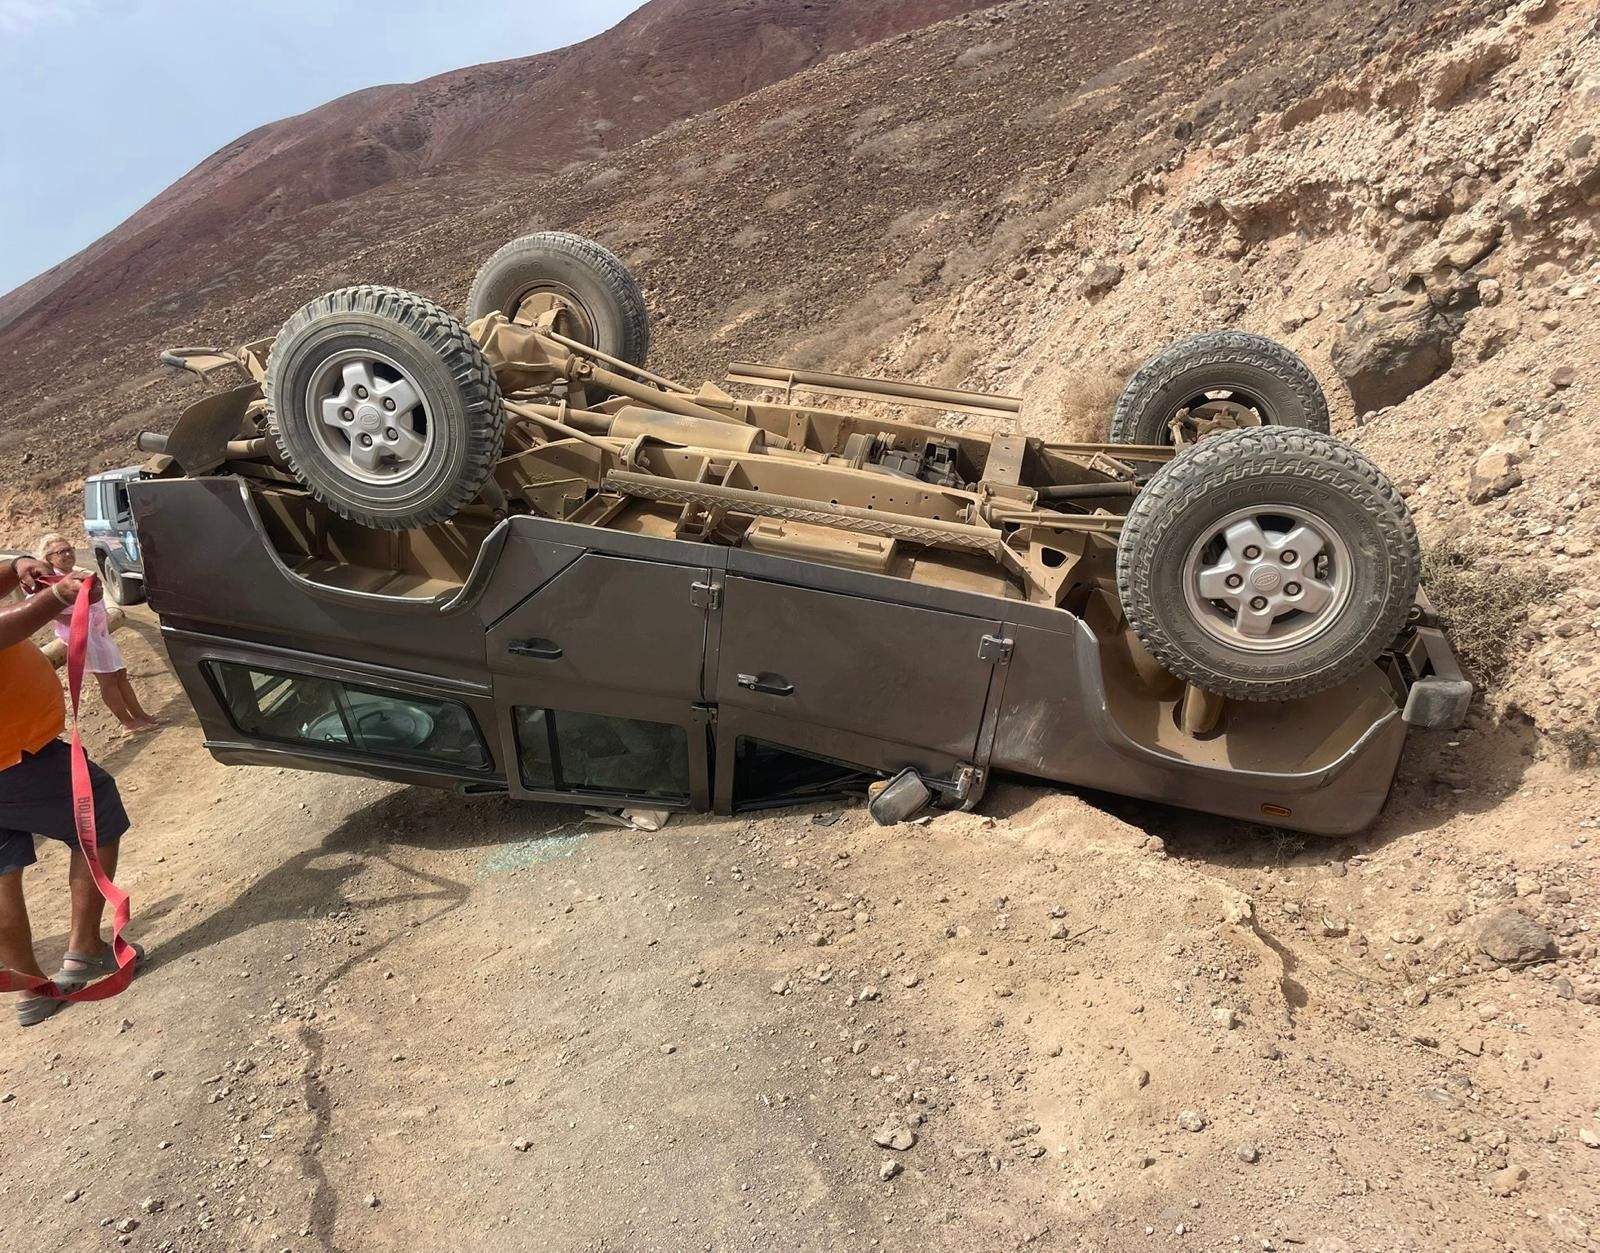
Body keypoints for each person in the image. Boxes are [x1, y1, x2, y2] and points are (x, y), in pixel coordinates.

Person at [0, 553, 142, 1027]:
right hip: (16, 759)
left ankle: (31, 989)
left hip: (12, 758)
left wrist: (22, 565)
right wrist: (58, 594)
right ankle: (85, 951)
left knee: (1, 873)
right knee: (97, 810)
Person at [31, 534, 156, 734]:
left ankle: (141, 715)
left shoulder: (76, 574)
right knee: (107, 680)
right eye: (60, 552)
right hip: (82, 637)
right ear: (48, 559)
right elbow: (42, 609)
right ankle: (128, 723)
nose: (67, 554)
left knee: (120, 674)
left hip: (99, 633)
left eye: (69, 549)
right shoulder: (48, 583)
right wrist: (73, 620)